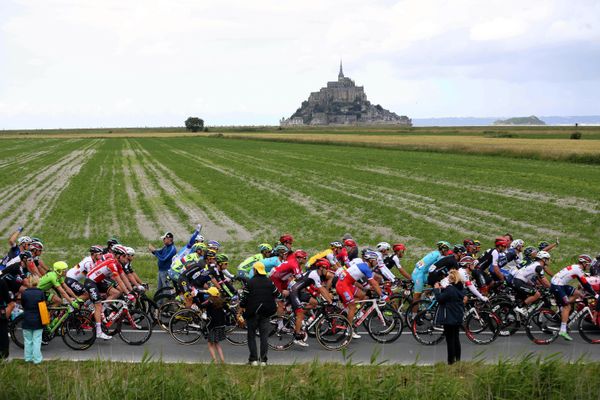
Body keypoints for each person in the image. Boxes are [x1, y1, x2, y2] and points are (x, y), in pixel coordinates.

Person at [550, 254, 599, 341]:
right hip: (557, 285)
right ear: (584, 263)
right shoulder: (578, 270)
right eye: (587, 264)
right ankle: (563, 330)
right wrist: (595, 295)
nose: (588, 266)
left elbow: (583, 281)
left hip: (559, 283)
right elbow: (585, 284)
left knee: (578, 293)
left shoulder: (576, 267)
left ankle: (563, 306)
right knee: (567, 307)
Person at [240, 262, 279, 366]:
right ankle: (263, 361)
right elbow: (277, 294)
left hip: (252, 313)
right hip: (266, 313)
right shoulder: (269, 282)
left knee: (251, 336)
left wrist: (242, 309)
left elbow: (244, 299)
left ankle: (253, 360)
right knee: (264, 337)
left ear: (255, 270)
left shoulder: (250, 282)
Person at [434, 269, 466, 365]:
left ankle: (450, 361)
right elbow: (452, 295)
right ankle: (458, 359)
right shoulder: (460, 288)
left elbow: (440, 299)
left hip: (449, 316)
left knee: (450, 339)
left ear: (451, 279)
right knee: (456, 338)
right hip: (457, 315)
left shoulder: (450, 289)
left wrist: (436, 290)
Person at [21, 275, 45, 364]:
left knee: (27, 341)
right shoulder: (41, 293)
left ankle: (28, 358)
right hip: (38, 320)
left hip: (27, 319)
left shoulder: (24, 293)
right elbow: (43, 306)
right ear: (38, 282)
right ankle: (37, 359)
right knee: (37, 340)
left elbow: (23, 305)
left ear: (30, 282)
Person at [205, 286, 226, 363]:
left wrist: (194, 298)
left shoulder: (210, 303)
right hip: (221, 325)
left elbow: (201, 306)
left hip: (212, 326)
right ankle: (223, 361)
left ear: (211, 295)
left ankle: (215, 361)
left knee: (210, 344)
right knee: (217, 343)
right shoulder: (221, 302)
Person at [0, 276, 16, 359]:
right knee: (3, 333)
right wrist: (6, 316)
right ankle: (4, 355)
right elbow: (10, 303)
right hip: (1, 312)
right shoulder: (1, 281)